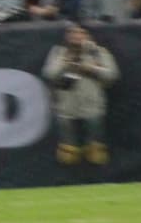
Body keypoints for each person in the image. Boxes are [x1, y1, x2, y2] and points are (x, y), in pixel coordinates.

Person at [42, 25, 120, 166]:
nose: (77, 36)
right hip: (65, 105)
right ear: (67, 36)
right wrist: (65, 62)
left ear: (88, 36)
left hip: (92, 103)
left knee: (95, 138)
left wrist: (92, 68)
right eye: (73, 33)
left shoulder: (98, 52)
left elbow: (112, 75)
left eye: (81, 33)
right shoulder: (58, 52)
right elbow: (49, 74)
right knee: (67, 148)